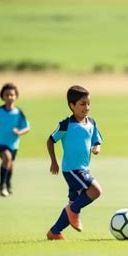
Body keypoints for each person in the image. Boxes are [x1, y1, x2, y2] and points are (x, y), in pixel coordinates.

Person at [46, 85, 103, 240]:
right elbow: (50, 141)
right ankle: (73, 210)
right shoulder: (66, 125)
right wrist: (54, 162)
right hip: (72, 169)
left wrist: (96, 148)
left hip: (84, 169)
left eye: (88, 103)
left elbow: (96, 140)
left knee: (73, 201)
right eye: (82, 104)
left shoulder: (91, 123)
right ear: (72, 106)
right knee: (96, 190)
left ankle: (54, 232)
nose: (87, 107)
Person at [0, 83, 30, 197]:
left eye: (12, 94)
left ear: (16, 96)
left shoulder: (18, 112)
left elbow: (27, 127)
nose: (10, 97)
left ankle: (8, 182)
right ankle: (2, 185)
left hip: (14, 143)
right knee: (7, 158)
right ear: (3, 96)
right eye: (7, 95)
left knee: (10, 164)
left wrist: (19, 132)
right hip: (1, 142)